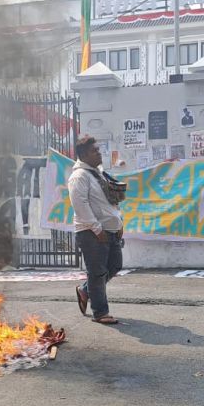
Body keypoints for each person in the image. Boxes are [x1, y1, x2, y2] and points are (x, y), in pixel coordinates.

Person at [69, 135, 124, 325]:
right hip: (91, 232)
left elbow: (111, 200)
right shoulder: (79, 176)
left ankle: (85, 290)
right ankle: (100, 312)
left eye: (99, 150)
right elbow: (80, 205)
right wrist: (97, 229)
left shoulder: (98, 172)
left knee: (115, 265)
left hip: (110, 230)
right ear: (84, 155)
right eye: (95, 151)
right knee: (97, 272)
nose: (99, 153)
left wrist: (119, 222)